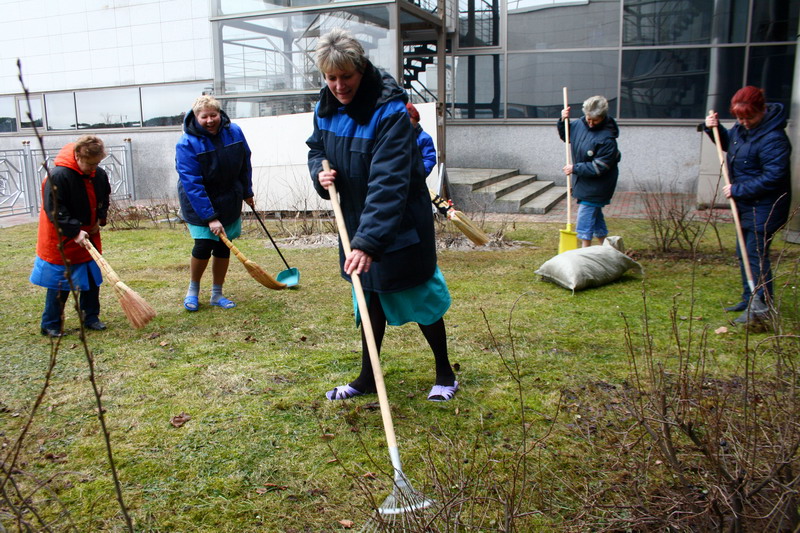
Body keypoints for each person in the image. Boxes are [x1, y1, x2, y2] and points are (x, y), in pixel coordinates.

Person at [307, 28, 458, 402]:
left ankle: (444, 372)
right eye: (331, 78)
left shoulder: (388, 112)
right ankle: (366, 378)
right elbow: (316, 148)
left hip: (399, 224)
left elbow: (389, 181)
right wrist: (319, 173)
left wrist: (370, 241)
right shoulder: (325, 107)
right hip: (355, 223)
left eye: (346, 77)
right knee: (368, 300)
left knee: (420, 298)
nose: (339, 86)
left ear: (362, 70)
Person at [704, 86, 791, 324]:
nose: (744, 122)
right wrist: (713, 129)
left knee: (755, 253)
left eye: (749, 117)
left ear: (762, 110)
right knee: (744, 253)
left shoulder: (774, 138)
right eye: (740, 118)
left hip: (767, 206)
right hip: (745, 205)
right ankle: (749, 297)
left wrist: (737, 189)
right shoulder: (743, 130)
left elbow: (774, 176)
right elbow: (730, 145)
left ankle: (761, 305)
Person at [176, 94, 255, 311]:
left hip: (229, 196)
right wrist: (210, 217)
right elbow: (191, 183)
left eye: (214, 115)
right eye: (204, 117)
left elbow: (244, 162)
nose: (210, 120)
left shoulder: (234, 132)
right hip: (199, 200)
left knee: (223, 245)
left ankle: (217, 294)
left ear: (220, 114)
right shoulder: (187, 143)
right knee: (203, 245)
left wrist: (247, 191)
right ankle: (193, 291)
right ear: (195, 117)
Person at [30, 135, 111, 337]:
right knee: (61, 280)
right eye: (89, 164)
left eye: (97, 163)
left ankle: (90, 317)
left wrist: (99, 219)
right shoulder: (57, 176)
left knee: (92, 278)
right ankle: (51, 323)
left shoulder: (98, 174)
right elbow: (54, 209)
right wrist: (75, 231)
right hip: (62, 236)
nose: (93, 168)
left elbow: (104, 198)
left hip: (88, 234)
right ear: (77, 155)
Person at [557, 95, 621, 247]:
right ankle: (607, 248)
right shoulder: (580, 124)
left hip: (599, 183)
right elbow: (567, 135)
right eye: (588, 119)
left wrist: (575, 168)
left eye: (595, 120)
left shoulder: (607, 138)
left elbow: (599, 167)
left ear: (603, 117)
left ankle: (585, 252)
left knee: (585, 214)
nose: (591, 123)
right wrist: (562, 120)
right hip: (584, 180)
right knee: (595, 215)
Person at [406, 102, 437, 176]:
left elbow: (430, 159)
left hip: (415, 180)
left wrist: (419, 173)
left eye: (413, 125)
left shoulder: (424, 138)